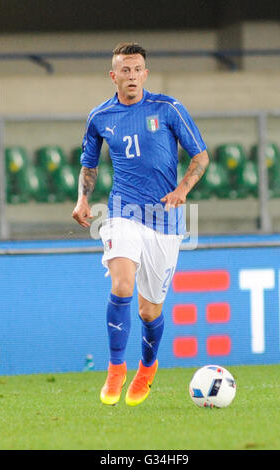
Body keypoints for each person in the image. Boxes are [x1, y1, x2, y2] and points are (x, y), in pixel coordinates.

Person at [72, 42, 209, 406]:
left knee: (150, 311)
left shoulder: (168, 108)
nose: (131, 76)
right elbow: (90, 163)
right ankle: (116, 369)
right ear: (113, 75)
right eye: (125, 70)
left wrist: (182, 189)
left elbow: (201, 156)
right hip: (122, 211)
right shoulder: (99, 116)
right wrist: (83, 198)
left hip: (165, 220)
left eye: (137, 70)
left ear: (145, 74)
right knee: (121, 285)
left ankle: (147, 368)